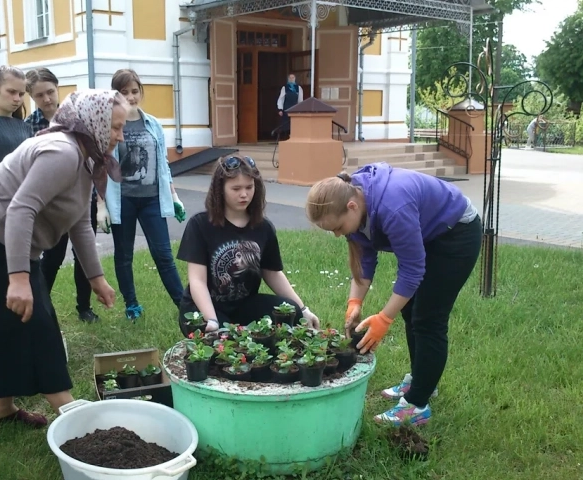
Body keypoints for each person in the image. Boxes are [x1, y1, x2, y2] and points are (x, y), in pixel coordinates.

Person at [0, 89, 126, 428]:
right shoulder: (63, 152)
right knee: (34, 322)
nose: (119, 136)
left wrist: (96, 278)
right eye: (114, 127)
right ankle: (71, 414)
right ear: (94, 122)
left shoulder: (84, 154)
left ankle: (0, 407)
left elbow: (80, 221)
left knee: (14, 323)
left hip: (0, 239)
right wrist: (19, 278)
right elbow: (20, 209)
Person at [305, 162, 482, 426]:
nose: (336, 235)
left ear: (352, 207)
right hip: (430, 232)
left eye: (337, 227)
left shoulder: (392, 208)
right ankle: (422, 381)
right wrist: (355, 303)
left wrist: (384, 319)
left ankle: (417, 405)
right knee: (411, 310)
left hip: (456, 233)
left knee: (429, 318)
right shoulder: (356, 202)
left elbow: (412, 270)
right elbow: (365, 261)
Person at [176, 155, 320, 335]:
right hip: (202, 308)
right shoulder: (200, 224)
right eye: (236, 188)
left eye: (249, 187)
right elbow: (197, 281)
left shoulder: (263, 228)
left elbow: (272, 273)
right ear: (220, 189)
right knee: (225, 345)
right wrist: (212, 321)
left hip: (244, 306)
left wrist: (303, 309)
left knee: (292, 312)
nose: (244, 194)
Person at [98, 68, 186, 321]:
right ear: (115, 95)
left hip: (152, 200)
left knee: (164, 255)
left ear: (141, 92)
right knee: (123, 255)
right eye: (124, 92)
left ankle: (184, 306)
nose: (130, 97)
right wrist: (100, 205)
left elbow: (163, 165)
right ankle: (132, 305)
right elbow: (100, 166)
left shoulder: (153, 124)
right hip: (122, 200)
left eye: (134, 91)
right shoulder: (109, 124)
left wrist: (174, 196)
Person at [25, 68, 101, 323]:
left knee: (84, 254)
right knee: (53, 256)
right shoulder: (29, 127)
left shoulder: (76, 119)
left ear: (57, 88)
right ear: (31, 97)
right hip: (51, 204)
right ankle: (40, 305)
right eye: (39, 95)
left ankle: (84, 308)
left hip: (82, 198)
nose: (46, 99)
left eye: (50, 92)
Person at [276, 73, 304, 139]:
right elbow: (281, 99)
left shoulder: (298, 88)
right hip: (286, 108)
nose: (291, 79)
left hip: (295, 108)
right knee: (286, 124)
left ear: (295, 79)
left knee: (295, 123)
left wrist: (300, 109)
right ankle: (286, 137)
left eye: (293, 78)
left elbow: (300, 99)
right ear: (288, 79)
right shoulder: (284, 88)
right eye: (290, 78)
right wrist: (280, 109)